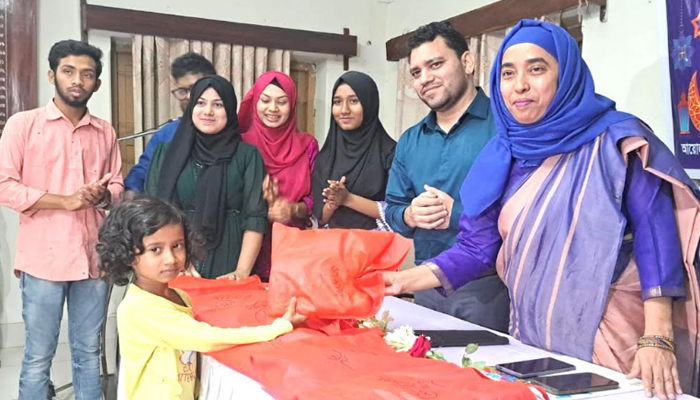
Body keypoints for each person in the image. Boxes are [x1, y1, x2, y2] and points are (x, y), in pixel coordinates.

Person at [383, 19, 700, 400]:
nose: (519, 85)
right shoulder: (502, 153)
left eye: (536, 69)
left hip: (614, 330)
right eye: (508, 73)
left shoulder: (616, 142)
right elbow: (476, 248)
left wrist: (658, 337)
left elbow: (656, 236)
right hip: (532, 330)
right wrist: (399, 282)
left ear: (565, 74)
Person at [0, 40, 124, 399]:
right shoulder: (24, 125)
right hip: (43, 259)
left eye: (87, 74)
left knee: (88, 352)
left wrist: (103, 196)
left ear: (97, 83)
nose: (78, 80)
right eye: (69, 71)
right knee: (39, 355)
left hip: (92, 259)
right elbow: (5, 185)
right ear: (52, 75)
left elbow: (117, 184)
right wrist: (66, 201)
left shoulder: (105, 131)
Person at [96, 195, 305, 400]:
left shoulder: (178, 296)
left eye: (177, 245)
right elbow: (209, 339)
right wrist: (278, 327)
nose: (170, 259)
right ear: (128, 255)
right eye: (155, 249)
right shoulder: (140, 309)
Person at [384, 21, 509, 331]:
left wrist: (456, 214)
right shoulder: (410, 140)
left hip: (488, 288)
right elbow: (393, 208)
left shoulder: (505, 127)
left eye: (436, 64)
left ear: (467, 62)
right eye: (416, 72)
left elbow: (523, 215)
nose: (425, 78)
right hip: (425, 285)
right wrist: (410, 215)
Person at [145, 75, 268, 280]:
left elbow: (255, 217)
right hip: (176, 262)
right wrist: (176, 261)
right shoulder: (166, 153)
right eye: (201, 103)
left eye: (218, 105)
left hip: (229, 258)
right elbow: (153, 212)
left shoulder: (247, 156)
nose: (208, 111)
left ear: (230, 110)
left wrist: (242, 271)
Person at [238, 71, 318, 281]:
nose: (273, 108)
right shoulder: (239, 145)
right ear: (255, 102)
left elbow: (316, 198)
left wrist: (293, 209)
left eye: (281, 102)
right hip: (243, 251)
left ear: (291, 105)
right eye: (265, 100)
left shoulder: (308, 146)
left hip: (294, 251)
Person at [312, 71, 396, 230]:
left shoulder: (390, 154)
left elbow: (399, 213)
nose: (344, 110)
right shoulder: (326, 156)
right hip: (333, 242)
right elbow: (320, 219)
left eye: (354, 101)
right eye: (337, 102)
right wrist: (332, 203)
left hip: (377, 242)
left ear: (369, 104)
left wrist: (348, 199)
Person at [124, 53, 217, 192]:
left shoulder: (233, 132)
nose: (188, 96)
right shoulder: (166, 134)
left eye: (194, 88)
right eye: (182, 91)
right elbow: (143, 171)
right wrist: (131, 191)